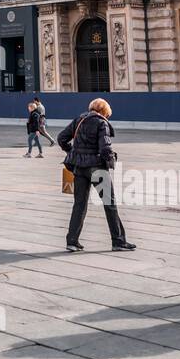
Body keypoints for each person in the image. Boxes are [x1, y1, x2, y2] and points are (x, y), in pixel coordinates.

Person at [62, 98, 135, 254]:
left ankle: (72, 241)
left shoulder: (79, 120)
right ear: (104, 112)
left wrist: (73, 152)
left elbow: (62, 138)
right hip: (97, 168)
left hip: (79, 168)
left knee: (79, 204)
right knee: (110, 204)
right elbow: (105, 147)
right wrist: (111, 161)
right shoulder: (102, 123)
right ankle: (118, 241)